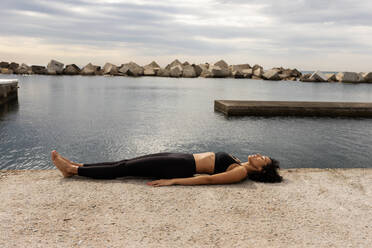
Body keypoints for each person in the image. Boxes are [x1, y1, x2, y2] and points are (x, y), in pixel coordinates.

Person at [51, 150, 282, 187]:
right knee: (125, 162)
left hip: (178, 166)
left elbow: (209, 180)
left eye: (264, 159)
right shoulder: (239, 162)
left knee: (123, 169)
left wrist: (173, 182)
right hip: (180, 158)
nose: (260, 155)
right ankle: (77, 166)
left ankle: (73, 171)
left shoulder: (240, 172)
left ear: (262, 170)